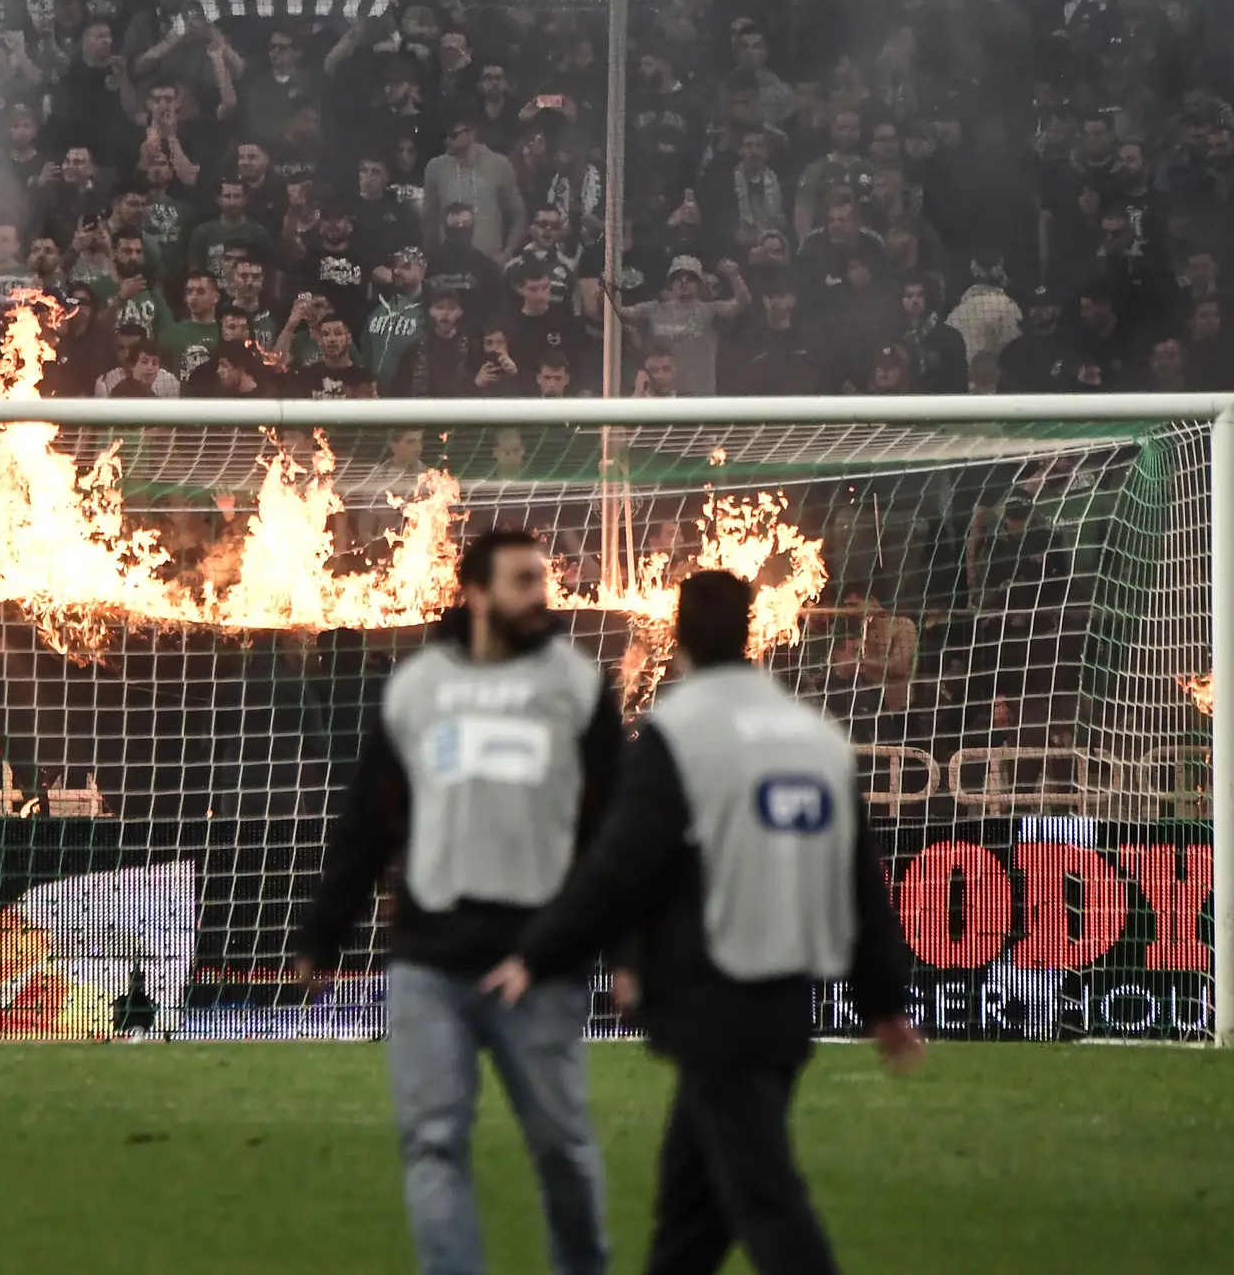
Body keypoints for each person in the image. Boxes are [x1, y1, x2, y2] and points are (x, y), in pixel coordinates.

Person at [481, 570, 922, 1275]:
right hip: (785, 1000)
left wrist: (539, 952)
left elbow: (620, 866)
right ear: (750, 631)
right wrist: (885, 1001)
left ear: (677, 636)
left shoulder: (681, 733)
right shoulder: (816, 736)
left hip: (715, 996)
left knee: (765, 1199)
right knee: (692, 1212)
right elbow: (860, 879)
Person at [294, 528, 624, 1275]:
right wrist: (323, 935)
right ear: (475, 592)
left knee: (562, 1149)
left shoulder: (578, 687)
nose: (540, 594)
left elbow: (618, 835)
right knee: (433, 1143)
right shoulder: (419, 689)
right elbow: (369, 821)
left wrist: (629, 952)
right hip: (429, 961)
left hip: (537, 963)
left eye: (542, 580)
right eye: (522, 581)